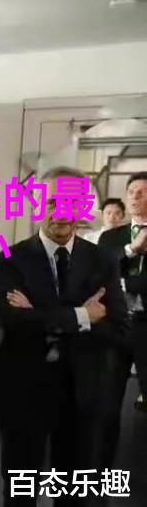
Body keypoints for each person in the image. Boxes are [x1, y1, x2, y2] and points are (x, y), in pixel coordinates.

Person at [0, 166, 131, 507]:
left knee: (72, 491)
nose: (61, 212)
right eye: (52, 202)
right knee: (20, 487)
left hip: (82, 390)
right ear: (35, 203)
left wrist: (40, 314)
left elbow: (117, 325)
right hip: (25, 388)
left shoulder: (102, 259)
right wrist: (83, 315)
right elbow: (13, 322)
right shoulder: (10, 258)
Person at [98, 172, 147, 412]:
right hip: (116, 324)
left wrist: (125, 285)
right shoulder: (111, 237)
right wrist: (131, 249)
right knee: (107, 400)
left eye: (142, 192)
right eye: (131, 192)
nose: (135, 197)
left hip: (145, 323)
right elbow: (100, 271)